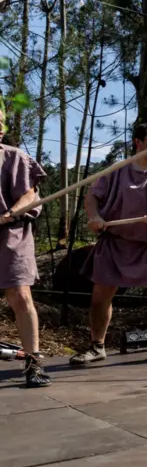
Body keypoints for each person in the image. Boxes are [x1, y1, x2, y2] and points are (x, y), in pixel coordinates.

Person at [72, 123, 147, 365]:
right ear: (138, 141)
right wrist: (94, 217)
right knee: (101, 293)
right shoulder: (118, 169)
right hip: (116, 241)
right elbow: (93, 195)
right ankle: (97, 346)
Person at [0, 107, 51, 387]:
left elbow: (29, 195)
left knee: (20, 294)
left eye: (0, 122)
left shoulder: (15, 157)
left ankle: (34, 363)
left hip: (12, 234)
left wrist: (8, 214)